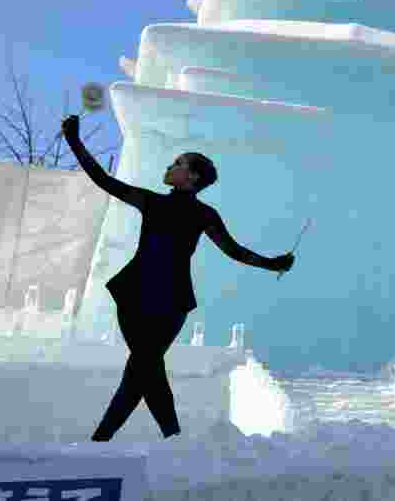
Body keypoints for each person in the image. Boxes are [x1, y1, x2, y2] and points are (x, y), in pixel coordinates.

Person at [61, 115, 295, 441]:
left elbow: (234, 251)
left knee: (143, 368)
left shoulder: (203, 214)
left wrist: (273, 264)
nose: (170, 166)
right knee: (146, 366)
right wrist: (74, 140)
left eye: (178, 163)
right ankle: (165, 438)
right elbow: (103, 179)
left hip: (172, 302)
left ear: (193, 177)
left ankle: (114, 440)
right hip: (136, 294)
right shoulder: (153, 201)